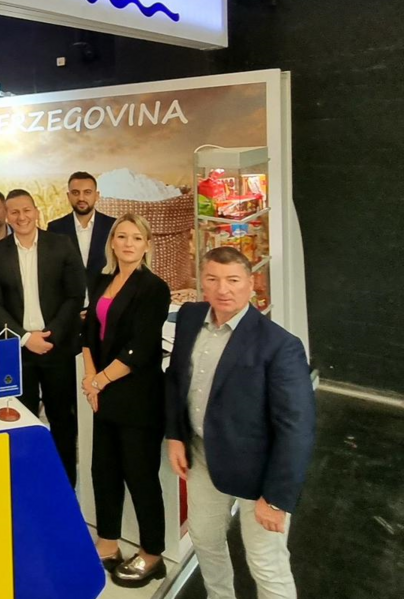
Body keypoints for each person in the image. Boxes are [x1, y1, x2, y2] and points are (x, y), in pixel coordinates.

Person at [165, 247, 315, 599]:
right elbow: (175, 379)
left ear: (251, 283)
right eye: (213, 279)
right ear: (202, 282)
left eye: (233, 280)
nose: (223, 289)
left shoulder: (280, 345)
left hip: (258, 470)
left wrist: (276, 499)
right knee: (205, 540)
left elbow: (297, 428)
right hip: (202, 454)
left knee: (266, 562)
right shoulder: (190, 317)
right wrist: (175, 436)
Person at [80, 214, 172, 587]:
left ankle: (152, 553)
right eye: (122, 236)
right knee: (104, 470)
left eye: (136, 238)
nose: (128, 243)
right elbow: (88, 334)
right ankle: (107, 542)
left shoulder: (154, 288)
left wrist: (99, 381)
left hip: (137, 396)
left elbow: (141, 347)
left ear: (147, 244)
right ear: (112, 243)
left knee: (140, 475)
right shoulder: (102, 281)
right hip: (103, 393)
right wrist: (91, 379)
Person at [0, 189, 86, 484]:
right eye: (14, 212)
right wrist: (26, 338)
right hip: (16, 353)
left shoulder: (61, 245)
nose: (21, 217)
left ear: (36, 212)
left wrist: (50, 335)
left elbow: (75, 295)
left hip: (57, 347)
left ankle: (65, 482)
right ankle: (26, 481)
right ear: (7, 216)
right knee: (19, 419)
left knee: (62, 419)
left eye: (26, 210)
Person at [48, 172, 117, 286]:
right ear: (68, 196)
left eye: (87, 192)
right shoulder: (55, 228)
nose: (81, 198)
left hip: (105, 294)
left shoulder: (113, 226)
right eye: (75, 193)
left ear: (97, 195)